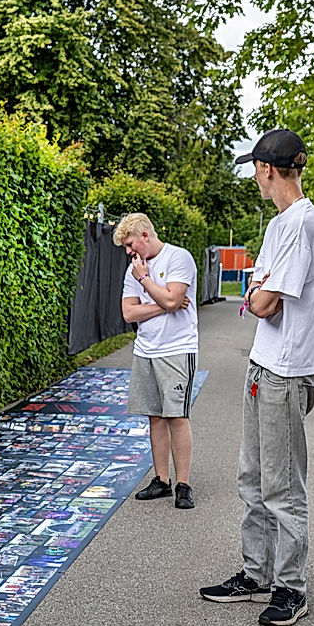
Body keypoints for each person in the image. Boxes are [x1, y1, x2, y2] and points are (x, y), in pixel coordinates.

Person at [200, 129, 314, 626]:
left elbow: (265, 301)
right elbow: (258, 297)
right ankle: (256, 575)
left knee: (282, 487)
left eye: (255, 168)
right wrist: (258, 294)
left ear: (267, 170)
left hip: (286, 371)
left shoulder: (302, 224)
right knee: (252, 479)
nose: (254, 176)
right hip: (264, 363)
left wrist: (258, 293)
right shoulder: (281, 224)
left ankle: (290, 587)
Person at [114, 213, 199, 509]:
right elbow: (129, 314)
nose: (128, 251)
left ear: (145, 236)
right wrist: (163, 304)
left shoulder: (179, 258)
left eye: (129, 244)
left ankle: (183, 484)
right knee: (154, 416)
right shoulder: (133, 270)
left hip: (177, 349)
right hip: (145, 350)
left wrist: (146, 281)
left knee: (177, 415)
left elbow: (175, 300)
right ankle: (161, 480)